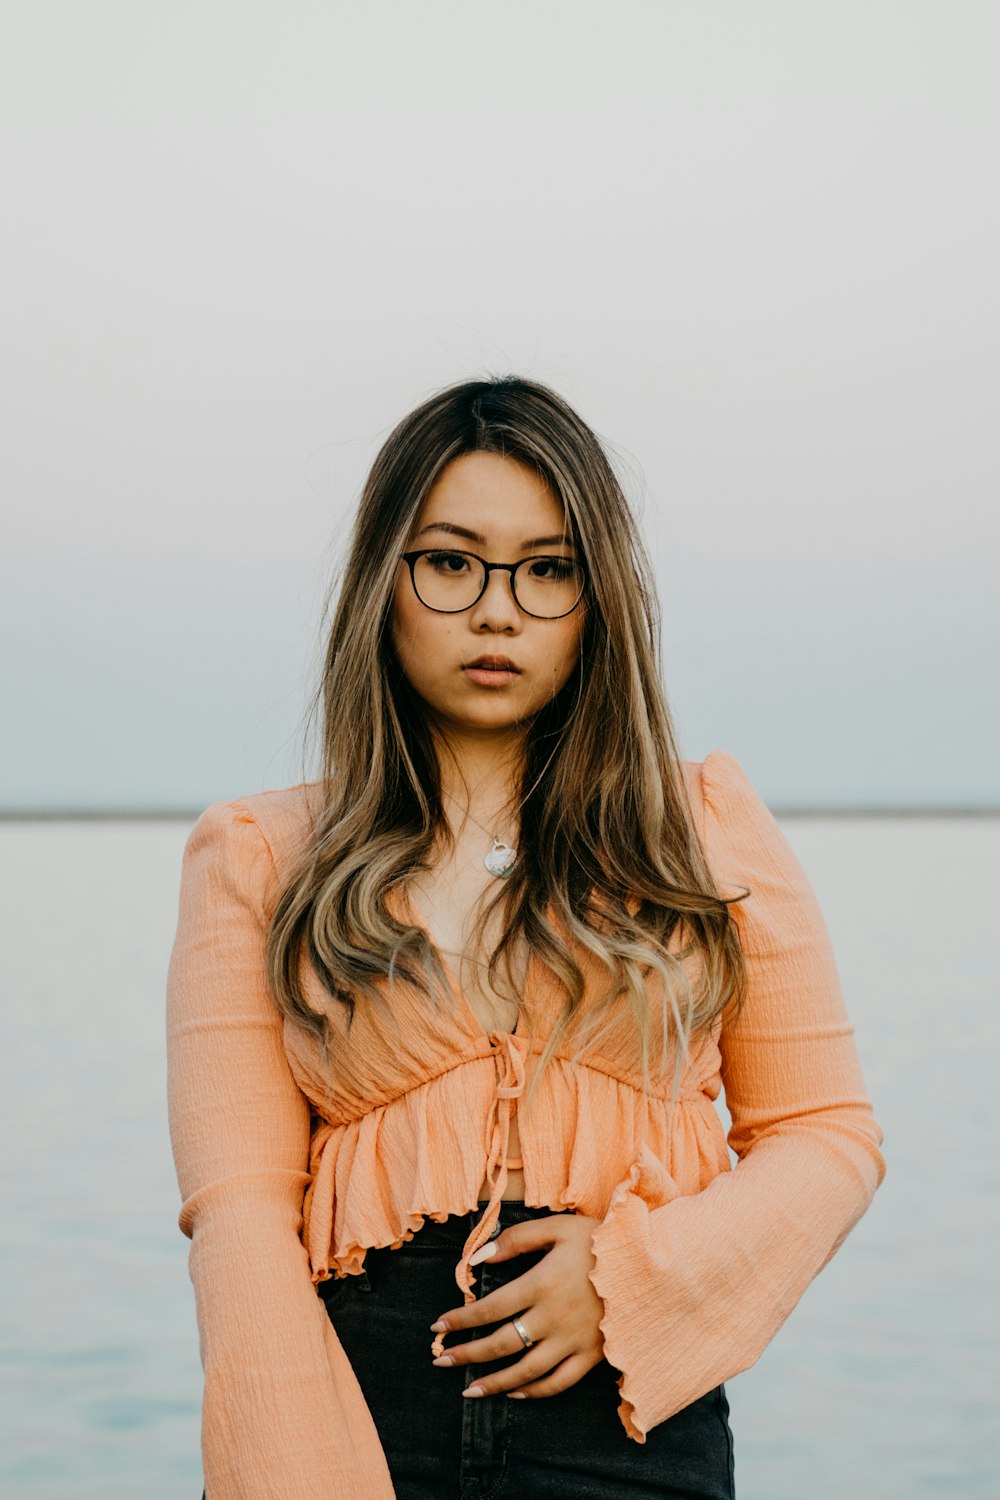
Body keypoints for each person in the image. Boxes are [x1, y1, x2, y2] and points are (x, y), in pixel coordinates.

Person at [166, 375, 886, 1500]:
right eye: (450, 561)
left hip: (633, 1427)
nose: (497, 609)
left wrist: (630, 1279)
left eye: (548, 570)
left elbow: (826, 1132)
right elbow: (241, 1216)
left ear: (598, 601)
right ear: (382, 583)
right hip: (356, 1413)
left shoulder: (704, 830)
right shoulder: (261, 855)